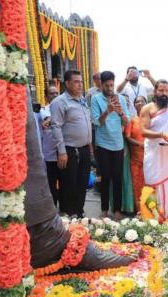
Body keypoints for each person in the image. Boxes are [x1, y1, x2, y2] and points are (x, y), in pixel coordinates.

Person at [140, 79, 168, 219]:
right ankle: (152, 218)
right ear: (155, 91)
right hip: (154, 153)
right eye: (161, 90)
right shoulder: (147, 108)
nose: (164, 94)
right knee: (153, 183)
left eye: (166, 90)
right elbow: (143, 131)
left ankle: (167, 217)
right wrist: (161, 135)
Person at [50, 70, 91, 218]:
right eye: (76, 82)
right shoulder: (59, 102)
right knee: (68, 184)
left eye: (81, 82)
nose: (80, 85)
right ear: (67, 83)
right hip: (69, 150)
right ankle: (68, 214)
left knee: (82, 184)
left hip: (84, 148)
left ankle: (79, 213)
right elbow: (56, 126)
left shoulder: (82, 100)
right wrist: (62, 152)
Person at [91, 71, 130, 220]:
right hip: (103, 144)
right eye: (106, 85)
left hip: (118, 144)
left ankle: (117, 210)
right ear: (101, 85)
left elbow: (127, 122)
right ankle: (104, 210)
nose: (109, 88)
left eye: (111, 85)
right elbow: (96, 122)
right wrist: (108, 111)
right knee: (105, 177)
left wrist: (120, 113)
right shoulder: (95, 99)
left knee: (117, 178)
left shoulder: (120, 98)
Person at [125, 96, 147, 212]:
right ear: (134, 105)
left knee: (148, 184)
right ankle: (138, 210)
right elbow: (127, 137)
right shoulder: (132, 120)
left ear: (146, 103)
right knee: (136, 184)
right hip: (135, 158)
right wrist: (140, 144)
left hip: (149, 159)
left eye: (141, 101)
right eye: (137, 101)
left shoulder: (151, 120)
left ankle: (148, 209)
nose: (139, 103)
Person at [40, 85, 60, 206]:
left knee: (65, 182)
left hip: (63, 152)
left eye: (57, 93)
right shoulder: (42, 111)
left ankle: (66, 210)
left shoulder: (64, 109)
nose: (55, 96)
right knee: (51, 182)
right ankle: (52, 207)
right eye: (52, 93)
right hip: (49, 153)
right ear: (46, 96)